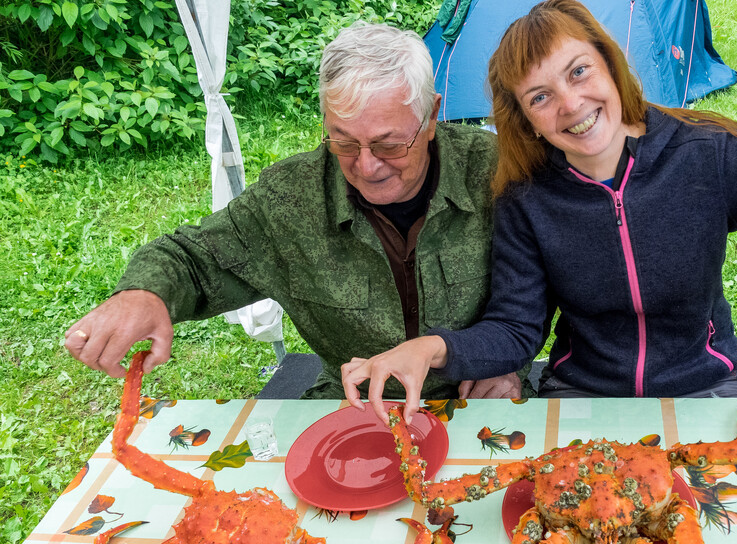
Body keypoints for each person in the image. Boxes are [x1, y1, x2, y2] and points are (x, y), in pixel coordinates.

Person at [342, 0, 737, 424]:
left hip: (710, 387)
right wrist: (430, 349)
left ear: (610, 64)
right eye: (541, 97)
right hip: (581, 395)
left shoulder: (707, 153)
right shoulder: (527, 198)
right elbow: (515, 329)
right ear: (525, 120)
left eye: (579, 72)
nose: (570, 104)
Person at [64, 21, 527, 401]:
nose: (366, 166)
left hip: (479, 395)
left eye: (389, 143)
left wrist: (507, 366)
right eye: (343, 141)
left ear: (431, 119)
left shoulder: (494, 171)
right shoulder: (291, 198)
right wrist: (144, 293)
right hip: (354, 404)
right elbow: (193, 257)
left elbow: (534, 295)